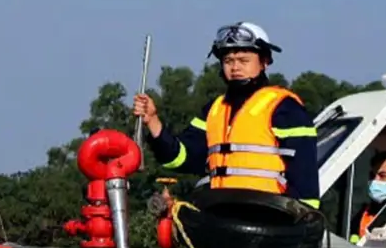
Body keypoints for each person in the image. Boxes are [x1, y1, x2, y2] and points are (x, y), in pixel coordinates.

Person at [131, 21, 320, 207]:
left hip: (269, 219)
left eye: (244, 60)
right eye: (229, 61)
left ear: (264, 62)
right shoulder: (214, 110)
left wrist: (299, 227)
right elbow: (181, 158)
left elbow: (305, 179)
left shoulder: (285, 108)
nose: (235, 67)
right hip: (222, 217)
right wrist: (153, 121)